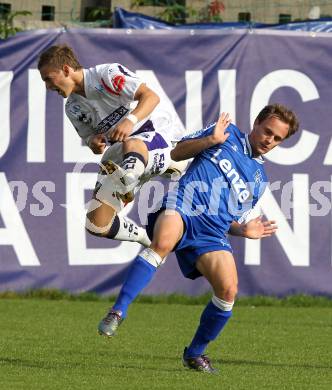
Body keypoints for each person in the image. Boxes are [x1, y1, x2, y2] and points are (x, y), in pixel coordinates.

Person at [97, 104, 300, 373]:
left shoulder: (259, 180)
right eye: (267, 132)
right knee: (163, 243)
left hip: (212, 232)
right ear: (257, 124)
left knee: (228, 291)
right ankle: (117, 311)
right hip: (183, 205)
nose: (269, 140)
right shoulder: (225, 133)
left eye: (277, 139)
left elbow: (229, 217)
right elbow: (176, 152)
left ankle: (195, 353)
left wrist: (243, 230)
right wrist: (210, 140)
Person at [38, 44, 186, 248]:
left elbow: (151, 97)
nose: (47, 86)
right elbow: (91, 138)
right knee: (96, 224)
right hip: (125, 153)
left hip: (156, 134)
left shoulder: (106, 74)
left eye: (48, 78)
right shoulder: (72, 108)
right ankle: (145, 238)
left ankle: (164, 165)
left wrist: (130, 120)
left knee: (133, 143)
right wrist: (93, 143)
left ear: (65, 69)